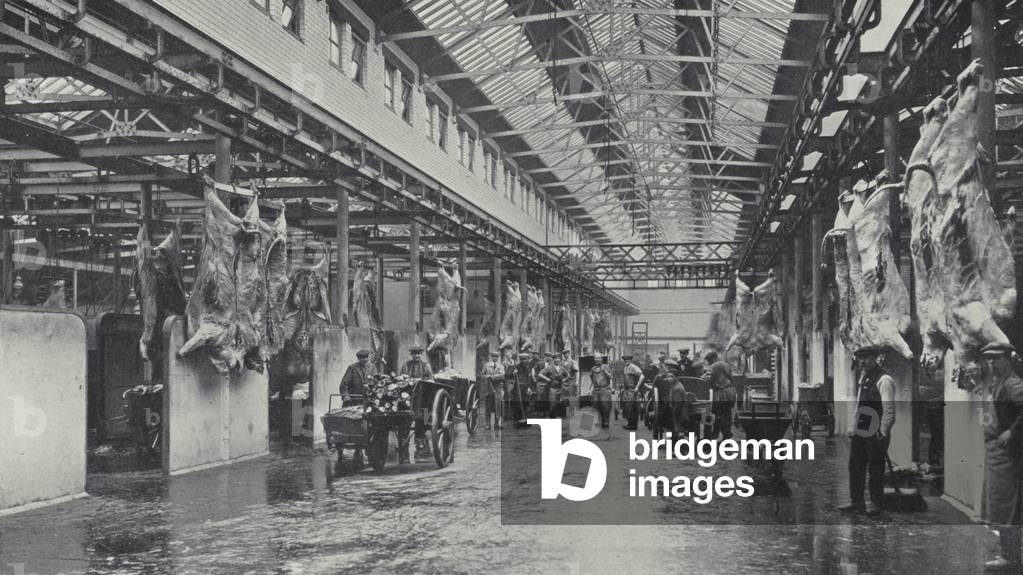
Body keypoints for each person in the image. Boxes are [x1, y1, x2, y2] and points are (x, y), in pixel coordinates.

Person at [837, 346, 896, 515]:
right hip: (861, 429)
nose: (862, 362)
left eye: (867, 358)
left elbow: (889, 410)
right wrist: (852, 428)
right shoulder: (864, 378)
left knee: (875, 469)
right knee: (855, 466)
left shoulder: (884, 380)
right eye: (860, 358)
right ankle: (857, 503)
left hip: (876, 432)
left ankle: (876, 504)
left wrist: (883, 432)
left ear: (875, 358)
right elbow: (859, 406)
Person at [981, 342, 1023, 571]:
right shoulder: (1000, 383)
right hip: (996, 454)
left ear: (1008, 359)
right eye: (989, 359)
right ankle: (1009, 555)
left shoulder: (1013, 384)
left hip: (1007, 457)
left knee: (1008, 508)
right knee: (1001, 508)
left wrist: (1012, 432)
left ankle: (1011, 558)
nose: (991, 363)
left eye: (996, 359)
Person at [399, 346, 435, 463]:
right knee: (404, 421)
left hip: (422, 396)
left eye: (418, 354)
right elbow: (401, 379)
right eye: (414, 354)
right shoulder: (406, 365)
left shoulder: (426, 366)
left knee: (423, 419)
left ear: (421, 354)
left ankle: (421, 443)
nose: (416, 356)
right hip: (408, 396)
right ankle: (403, 447)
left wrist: (421, 381)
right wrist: (405, 379)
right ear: (411, 355)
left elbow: (431, 380)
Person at [339, 349, 371, 465]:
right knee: (354, 425)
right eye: (362, 358)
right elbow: (344, 384)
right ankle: (351, 449)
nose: (364, 359)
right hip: (353, 401)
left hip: (367, 401)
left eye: (366, 357)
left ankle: (363, 448)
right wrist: (346, 396)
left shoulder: (372, 368)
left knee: (367, 425)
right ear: (358, 358)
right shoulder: (352, 368)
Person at [703, 351, 736, 440]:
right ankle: (725, 436)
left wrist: (703, 378)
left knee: (717, 415)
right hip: (730, 393)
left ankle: (722, 434)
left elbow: (708, 380)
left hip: (721, 394)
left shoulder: (713, 366)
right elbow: (732, 379)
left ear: (713, 359)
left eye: (709, 361)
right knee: (727, 415)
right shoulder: (726, 364)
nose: (708, 363)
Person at [538, 353, 571, 418]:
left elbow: (568, 375)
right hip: (552, 388)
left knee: (561, 403)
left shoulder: (562, 368)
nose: (557, 360)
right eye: (556, 358)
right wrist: (547, 379)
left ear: (560, 359)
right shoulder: (549, 367)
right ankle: (552, 418)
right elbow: (540, 374)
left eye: (559, 358)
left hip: (560, 388)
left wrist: (564, 380)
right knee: (552, 404)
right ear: (553, 359)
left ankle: (560, 418)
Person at [505, 352, 533, 426]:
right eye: (522, 359)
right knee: (517, 404)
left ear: (527, 359)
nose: (524, 361)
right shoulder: (515, 367)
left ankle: (526, 419)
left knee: (526, 403)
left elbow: (529, 378)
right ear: (520, 360)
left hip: (525, 387)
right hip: (517, 388)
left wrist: (529, 387)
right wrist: (513, 373)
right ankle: (517, 420)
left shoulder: (528, 367)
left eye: (525, 359)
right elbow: (507, 375)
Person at [480, 351, 505, 430]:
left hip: (497, 389)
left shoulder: (501, 366)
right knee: (488, 407)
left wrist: (492, 377)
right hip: (489, 389)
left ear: (498, 357)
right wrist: (486, 377)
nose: (495, 358)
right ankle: (488, 424)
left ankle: (497, 424)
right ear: (491, 357)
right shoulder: (486, 366)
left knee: (498, 407)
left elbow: (502, 376)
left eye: (496, 357)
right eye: (493, 356)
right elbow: (482, 375)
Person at [590, 355, 614, 428]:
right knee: (596, 406)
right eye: (596, 358)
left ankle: (606, 421)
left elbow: (611, 377)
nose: (597, 359)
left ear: (601, 359)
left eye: (599, 358)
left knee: (605, 406)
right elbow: (592, 380)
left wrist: (605, 371)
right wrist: (590, 389)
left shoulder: (606, 367)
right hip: (596, 390)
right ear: (594, 359)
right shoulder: (593, 369)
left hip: (604, 389)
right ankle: (599, 421)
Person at [621, 355, 644, 430]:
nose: (626, 361)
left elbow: (642, 376)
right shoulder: (625, 367)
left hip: (632, 389)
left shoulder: (634, 367)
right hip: (627, 390)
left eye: (627, 360)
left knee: (633, 407)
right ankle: (630, 424)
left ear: (630, 360)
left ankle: (633, 425)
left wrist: (637, 387)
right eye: (625, 360)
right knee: (627, 407)